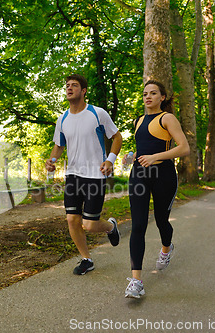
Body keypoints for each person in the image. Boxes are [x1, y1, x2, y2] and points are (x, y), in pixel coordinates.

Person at [45, 74, 123, 275]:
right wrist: (51, 162)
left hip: (95, 175)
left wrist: (110, 160)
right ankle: (86, 259)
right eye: (67, 85)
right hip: (73, 175)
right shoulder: (62, 119)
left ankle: (110, 227)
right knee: (72, 219)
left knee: (89, 224)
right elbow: (58, 146)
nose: (69, 88)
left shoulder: (97, 114)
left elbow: (116, 137)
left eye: (74, 85)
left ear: (84, 90)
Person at [124, 80, 190, 298]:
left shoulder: (167, 118)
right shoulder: (138, 120)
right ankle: (136, 281)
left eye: (153, 93)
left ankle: (166, 249)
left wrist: (155, 157)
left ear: (162, 97)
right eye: (145, 94)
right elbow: (143, 147)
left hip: (164, 176)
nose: (148, 97)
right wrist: (132, 156)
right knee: (139, 225)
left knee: (162, 220)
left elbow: (184, 148)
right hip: (140, 175)